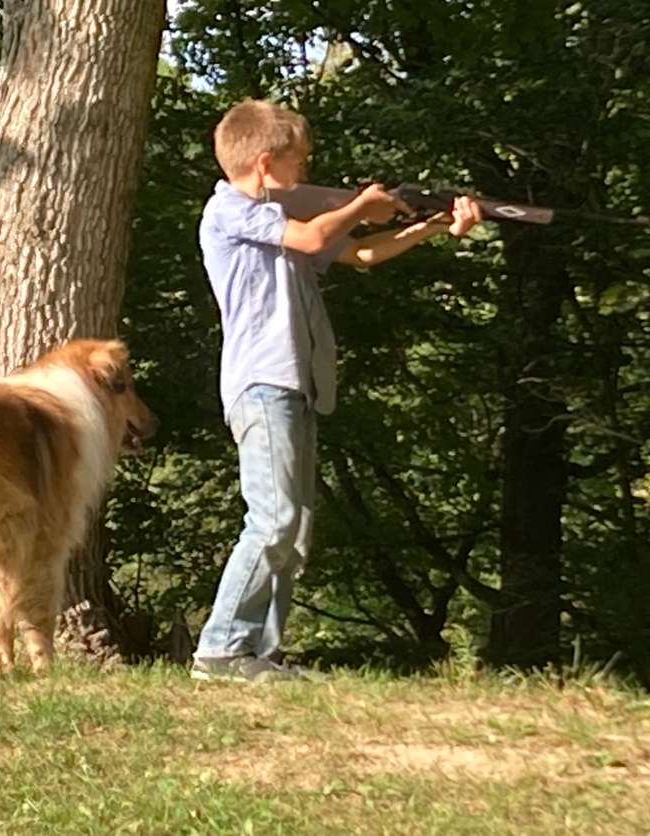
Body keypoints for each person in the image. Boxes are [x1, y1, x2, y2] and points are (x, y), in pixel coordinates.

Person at [191, 99, 482, 682]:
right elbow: (318, 232)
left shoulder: (280, 217)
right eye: (301, 163)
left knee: (293, 529)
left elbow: (361, 252)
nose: (307, 173)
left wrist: (426, 224)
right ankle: (221, 650)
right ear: (268, 164)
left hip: (294, 383)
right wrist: (361, 204)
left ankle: (256, 655)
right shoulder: (229, 211)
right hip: (262, 381)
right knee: (272, 520)